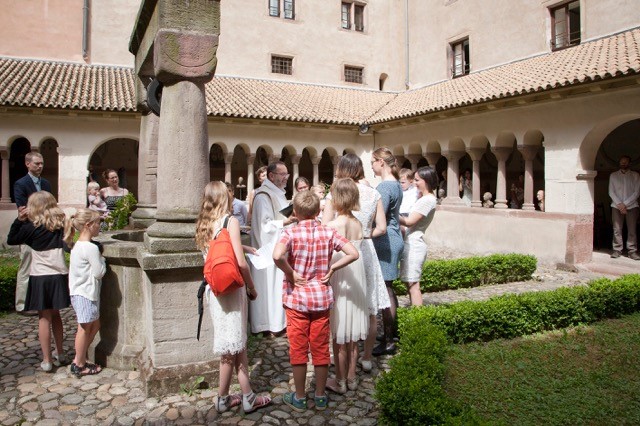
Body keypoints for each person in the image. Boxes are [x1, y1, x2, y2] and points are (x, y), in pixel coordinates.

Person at [273, 190, 359, 412]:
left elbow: (276, 255)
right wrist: (333, 267)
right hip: (321, 299)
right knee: (321, 349)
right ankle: (320, 396)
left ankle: (300, 397)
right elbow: (353, 253)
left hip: (297, 300)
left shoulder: (290, 233)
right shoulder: (328, 232)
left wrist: (290, 273)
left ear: (295, 211)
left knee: (298, 349)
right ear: (318, 210)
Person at [195, 181, 271, 413]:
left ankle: (231, 397)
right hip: (233, 288)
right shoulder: (231, 221)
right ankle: (240, 397)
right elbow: (239, 263)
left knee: (232, 344)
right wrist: (252, 287)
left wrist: (246, 248)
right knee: (234, 346)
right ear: (224, 198)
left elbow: (220, 248)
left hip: (215, 289)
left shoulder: (203, 224)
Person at [322, 153, 389, 372]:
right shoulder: (373, 192)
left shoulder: (337, 192)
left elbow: (325, 227)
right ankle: (366, 357)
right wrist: (366, 235)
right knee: (368, 307)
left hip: (341, 251)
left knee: (342, 302)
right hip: (364, 248)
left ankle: (338, 354)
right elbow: (382, 227)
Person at [7, 191, 70, 372]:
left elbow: (12, 239)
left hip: (40, 276)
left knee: (44, 318)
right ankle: (61, 353)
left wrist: (19, 220)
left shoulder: (30, 228)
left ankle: (47, 359)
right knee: (56, 315)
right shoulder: (59, 225)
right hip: (58, 274)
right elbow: (68, 246)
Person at [324, 179, 368, 394]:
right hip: (357, 275)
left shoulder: (334, 225)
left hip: (341, 275)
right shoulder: (358, 223)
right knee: (352, 334)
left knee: (340, 333)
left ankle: (340, 381)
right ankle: (352, 377)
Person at [249, 161, 296, 335]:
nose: (286, 178)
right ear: (271, 176)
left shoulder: (277, 193)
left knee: (276, 289)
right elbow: (264, 227)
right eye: (282, 174)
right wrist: (286, 221)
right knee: (268, 288)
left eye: (287, 174)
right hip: (267, 251)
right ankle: (267, 325)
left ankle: (277, 324)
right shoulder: (263, 196)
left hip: (279, 248)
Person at [370, 147, 403, 357]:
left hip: (385, 239)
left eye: (373, 162)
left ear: (381, 162)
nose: (372, 166)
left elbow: (376, 215)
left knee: (386, 290)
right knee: (389, 288)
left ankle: (389, 340)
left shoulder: (384, 187)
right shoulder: (397, 184)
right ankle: (391, 334)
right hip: (394, 236)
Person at [65, 208, 106, 377]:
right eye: (98, 223)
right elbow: (98, 272)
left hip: (81, 292)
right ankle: (79, 364)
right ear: (88, 225)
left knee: (95, 325)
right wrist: (103, 260)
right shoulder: (90, 248)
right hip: (85, 293)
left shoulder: (77, 245)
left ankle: (79, 357)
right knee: (84, 328)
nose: (99, 227)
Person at [13, 152, 52, 314]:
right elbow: (23, 208)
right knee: (26, 267)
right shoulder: (21, 184)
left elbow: (51, 206)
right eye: (37, 163)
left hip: (45, 231)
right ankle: (21, 305)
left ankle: (38, 301)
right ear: (27, 164)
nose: (40, 166)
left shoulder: (46, 184)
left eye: (42, 163)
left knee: (43, 268)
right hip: (29, 232)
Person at [398, 167, 438, 306]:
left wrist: (391, 213)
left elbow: (409, 222)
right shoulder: (422, 198)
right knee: (409, 283)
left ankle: (418, 319)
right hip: (410, 242)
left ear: (426, 181)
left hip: (415, 244)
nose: (414, 183)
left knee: (413, 285)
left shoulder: (428, 200)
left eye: (417, 180)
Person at [608, 155, 640, 260]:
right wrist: (620, 204)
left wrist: (625, 204)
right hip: (616, 206)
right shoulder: (613, 175)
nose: (623, 163)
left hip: (632, 206)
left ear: (629, 163)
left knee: (632, 230)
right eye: (622, 162)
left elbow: (637, 192)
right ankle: (617, 250)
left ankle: (632, 251)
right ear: (619, 162)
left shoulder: (635, 175)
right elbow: (611, 191)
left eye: (626, 162)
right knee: (617, 229)